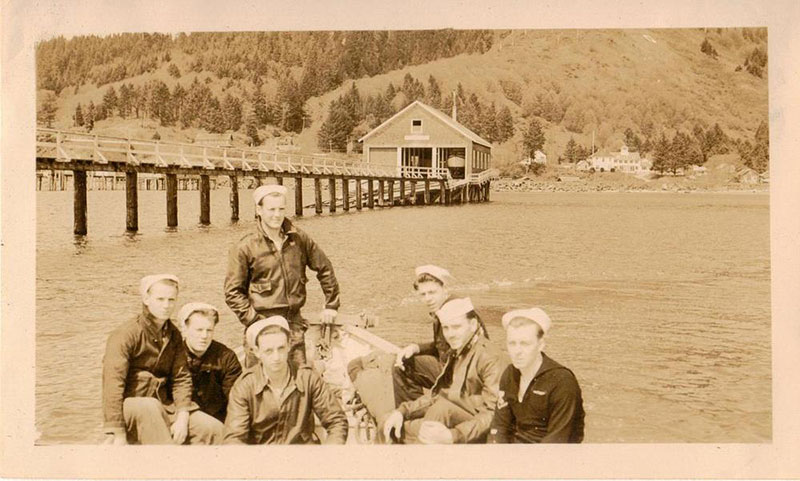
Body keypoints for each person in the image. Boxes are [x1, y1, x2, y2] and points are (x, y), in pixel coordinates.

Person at [224, 184, 340, 368]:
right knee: (259, 386)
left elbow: (324, 268)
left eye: (281, 209)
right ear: (259, 210)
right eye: (271, 209)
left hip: (294, 325)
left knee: (299, 383)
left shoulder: (299, 239)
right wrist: (254, 320)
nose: (277, 215)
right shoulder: (245, 246)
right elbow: (232, 293)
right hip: (261, 326)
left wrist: (331, 305)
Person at [102, 274, 221, 445]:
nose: (166, 305)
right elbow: (112, 384)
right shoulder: (125, 335)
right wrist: (118, 432)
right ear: (146, 299)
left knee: (213, 430)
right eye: (160, 299)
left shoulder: (173, 335)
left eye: (171, 300)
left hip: (165, 405)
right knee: (149, 408)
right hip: (133, 406)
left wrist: (182, 415)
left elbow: (181, 378)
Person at [382, 298, 506, 444]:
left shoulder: (490, 357)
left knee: (441, 410)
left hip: (473, 432)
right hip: (452, 420)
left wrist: (453, 435)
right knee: (387, 422)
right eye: (446, 328)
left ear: (473, 325)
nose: (450, 334)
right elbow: (439, 396)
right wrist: (403, 411)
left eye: (456, 327)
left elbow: (493, 414)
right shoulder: (458, 351)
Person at [223, 316, 349, 444]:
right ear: (257, 352)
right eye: (268, 351)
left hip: (302, 455)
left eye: (281, 348)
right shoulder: (244, 386)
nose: (276, 357)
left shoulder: (308, 378)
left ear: (289, 346)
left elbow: (336, 421)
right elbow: (234, 437)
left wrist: (330, 453)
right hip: (262, 458)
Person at [489, 308, 585, 443]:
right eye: (512, 343)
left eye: (525, 344)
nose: (517, 351)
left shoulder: (561, 381)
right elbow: (500, 426)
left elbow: (558, 439)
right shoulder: (509, 374)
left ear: (541, 345)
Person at [176, 302, 242, 424]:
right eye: (199, 330)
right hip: (182, 417)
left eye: (209, 330)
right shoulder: (173, 355)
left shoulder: (227, 357)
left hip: (217, 420)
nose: (204, 336)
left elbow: (235, 399)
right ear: (185, 329)